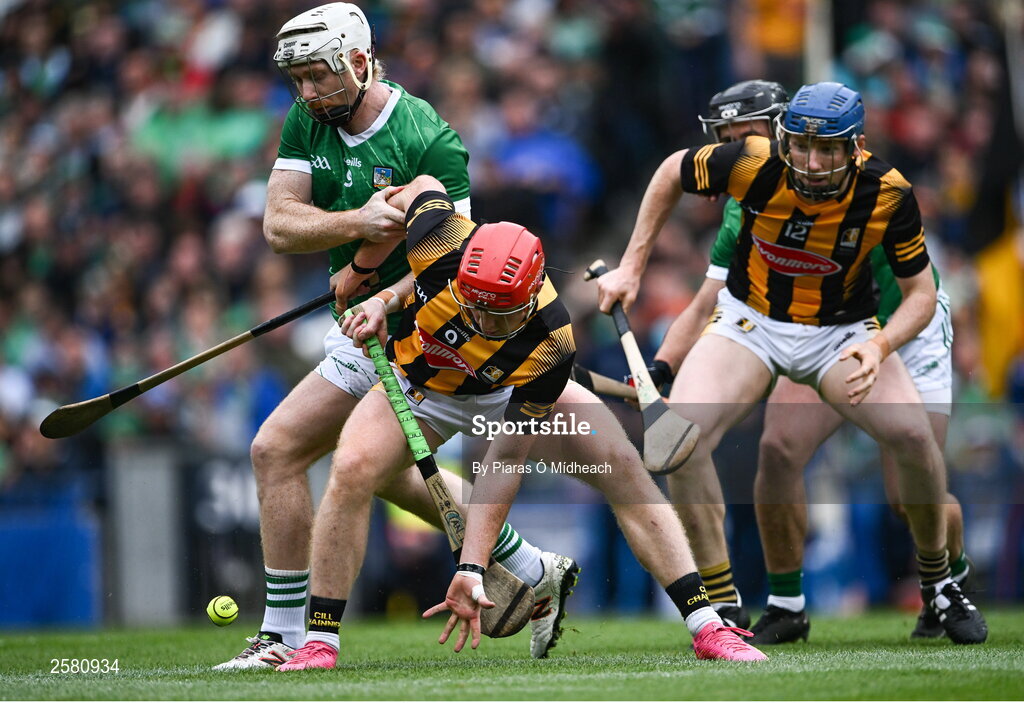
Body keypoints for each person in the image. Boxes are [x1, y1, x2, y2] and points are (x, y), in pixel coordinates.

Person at [274, 175, 768, 669]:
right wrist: (376, 283)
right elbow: (420, 183)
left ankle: (708, 627)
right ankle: (320, 641)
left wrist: (471, 566)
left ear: (531, 297)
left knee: (626, 471)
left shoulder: (551, 343)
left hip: (505, 391)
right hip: (419, 387)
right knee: (352, 468)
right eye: (477, 309)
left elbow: (505, 458)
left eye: (501, 317)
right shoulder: (438, 237)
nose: (486, 326)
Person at [215, 3, 573, 669]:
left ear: (358, 61)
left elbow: (453, 261)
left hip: (434, 340)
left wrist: (378, 287)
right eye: (297, 81)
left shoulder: (428, 136)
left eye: (318, 77)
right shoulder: (307, 122)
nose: (307, 93)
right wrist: (362, 222)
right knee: (294, 456)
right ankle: (528, 561)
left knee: (311, 456)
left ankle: (297, 637)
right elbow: (279, 226)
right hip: (359, 330)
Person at [596, 81, 987, 645]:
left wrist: (878, 347)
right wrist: (633, 270)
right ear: (782, 139)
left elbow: (921, 296)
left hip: (849, 331)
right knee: (682, 439)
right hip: (754, 323)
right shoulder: (750, 165)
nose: (812, 161)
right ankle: (724, 602)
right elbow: (670, 175)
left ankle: (942, 585)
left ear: (854, 147)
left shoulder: (889, 192)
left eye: (827, 148)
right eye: (802, 146)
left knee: (914, 443)